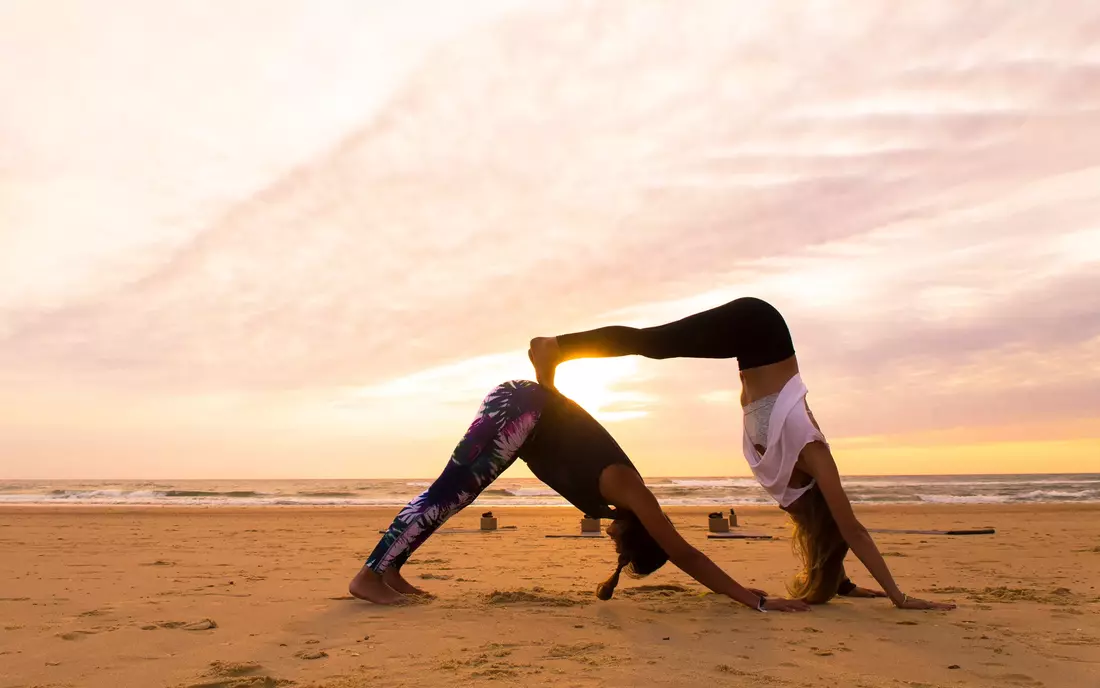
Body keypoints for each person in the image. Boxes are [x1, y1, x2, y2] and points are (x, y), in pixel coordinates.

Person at [528, 297, 956, 611]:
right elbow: (852, 530)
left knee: (654, 344)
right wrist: (899, 597)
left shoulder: (795, 489)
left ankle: (559, 348)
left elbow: (832, 532)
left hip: (755, 357)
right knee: (655, 343)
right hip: (762, 327)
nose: (806, 528)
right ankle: (557, 346)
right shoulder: (809, 460)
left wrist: (842, 583)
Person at [349, 379, 810, 612]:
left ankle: (391, 570)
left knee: (454, 497)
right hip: (521, 409)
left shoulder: (617, 501)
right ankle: (370, 575)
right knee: (447, 494)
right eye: (621, 546)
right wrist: (752, 599)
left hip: (526, 416)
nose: (611, 541)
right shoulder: (632, 492)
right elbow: (685, 552)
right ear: (638, 533)